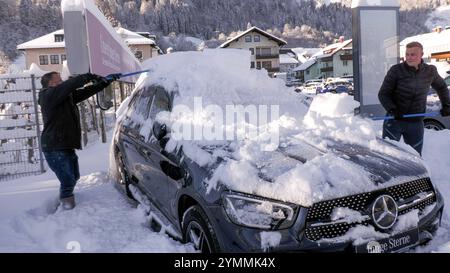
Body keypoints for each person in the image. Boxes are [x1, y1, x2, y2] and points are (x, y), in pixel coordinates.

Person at [38, 72, 120, 210]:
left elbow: (86, 92)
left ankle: (66, 201)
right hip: (54, 146)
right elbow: (69, 86)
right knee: (67, 179)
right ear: (51, 84)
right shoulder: (48, 96)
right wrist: (88, 76)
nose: (63, 81)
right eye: (59, 80)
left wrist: (104, 82)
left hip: (64, 145)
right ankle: (67, 206)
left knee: (74, 176)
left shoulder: (63, 97)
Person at [378, 41, 450, 155]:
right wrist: (392, 109)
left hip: (415, 123)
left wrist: (446, 105)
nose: (409, 57)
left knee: (415, 156)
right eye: (407, 54)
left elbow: (442, 87)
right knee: (388, 155)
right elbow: (383, 94)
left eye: (413, 54)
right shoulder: (396, 70)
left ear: (422, 54)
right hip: (394, 120)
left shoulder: (430, 71)